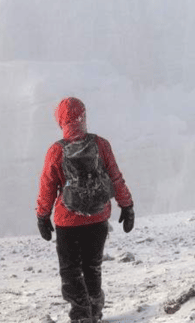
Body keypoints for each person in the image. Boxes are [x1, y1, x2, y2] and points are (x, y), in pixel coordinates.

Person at [36, 97, 135, 323]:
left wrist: (42, 216)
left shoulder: (56, 151)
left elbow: (47, 187)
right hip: (98, 218)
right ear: (83, 117)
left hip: (67, 222)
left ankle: (82, 316)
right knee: (92, 268)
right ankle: (95, 312)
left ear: (60, 120)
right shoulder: (101, 145)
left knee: (71, 271)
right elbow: (116, 178)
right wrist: (127, 206)